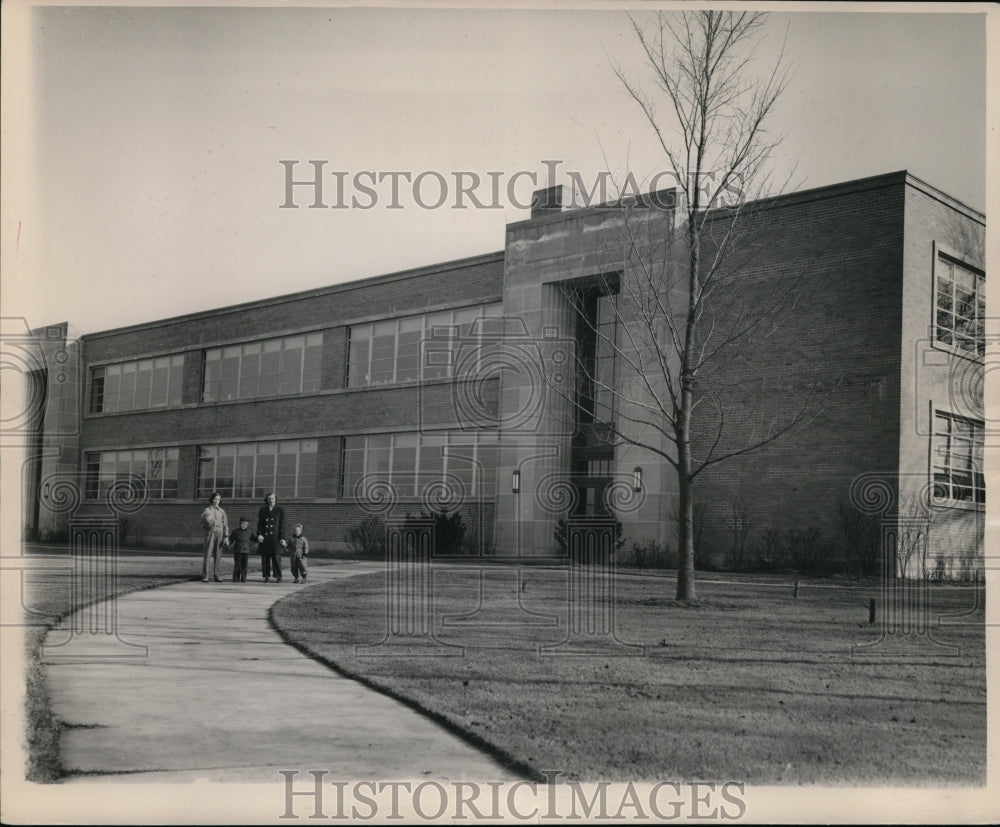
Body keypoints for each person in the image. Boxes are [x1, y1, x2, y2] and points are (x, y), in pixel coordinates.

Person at [256, 492, 286, 582]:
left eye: (272, 498)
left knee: (276, 557)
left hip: (276, 538)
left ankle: (278, 576)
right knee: (265, 558)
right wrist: (259, 534)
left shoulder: (280, 509)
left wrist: (282, 538)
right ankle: (266, 576)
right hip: (265, 537)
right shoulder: (262, 509)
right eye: (269, 498)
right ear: (267, 499)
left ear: (275, 499)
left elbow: (282, 525)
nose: (271, 500)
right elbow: (260, 524)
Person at [200, 492, 229, 582]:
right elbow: (202, 523)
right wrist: (208, 523)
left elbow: (226, 525)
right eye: (215, 499)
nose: (217, 501)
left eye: (218, 499)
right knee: (207, 554)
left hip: (220, 533)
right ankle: (206, 576)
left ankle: (217, 575)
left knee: (218, 555)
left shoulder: (222, 511)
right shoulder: (207, 510)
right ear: (211, 499)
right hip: (210, 532)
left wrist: (226, 536)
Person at [229, 516, 255, 583]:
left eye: (246, 524)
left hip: (246, 550)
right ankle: (236, 578)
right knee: (237, 564)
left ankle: (243, 578)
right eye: (243, 524)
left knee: (244, 565)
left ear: (247, 525)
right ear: (240, 523)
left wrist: (259, 539)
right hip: (237, 550)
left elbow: (254, 538)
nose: (244, 525)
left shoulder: (249, 531)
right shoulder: (235, 531)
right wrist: (227, 542)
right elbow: (231, 539)